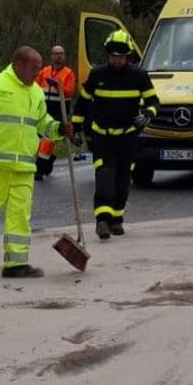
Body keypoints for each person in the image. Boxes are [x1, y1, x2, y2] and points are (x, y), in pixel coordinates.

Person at [0, 46, 72, 278]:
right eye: (34, 68)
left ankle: (16, 264)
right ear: (19, 65)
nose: (38, 73)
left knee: (19, 215)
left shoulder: (36, 93)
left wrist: (59, 129)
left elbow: (42, 123)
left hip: (23, 168)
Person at [71, 29, 158, 241]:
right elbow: (82, 103)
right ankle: (102, 219)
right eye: (113, 57)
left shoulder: (138, 75)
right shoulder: (98, 75)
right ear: (107, 55)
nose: (116, 61)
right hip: (102, 136)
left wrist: (147, 114)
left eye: (120, 57)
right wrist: (75, 128)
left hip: (128, 137)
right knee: (104, 176)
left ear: (127, 56)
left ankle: (117, 219)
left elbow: (153, 102)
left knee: (123, 177)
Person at [34, 44, 76, 180]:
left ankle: (40, 169)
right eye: (56, 53)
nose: (59, 56)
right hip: (44, 108)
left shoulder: (68, 73)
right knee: (39, 139)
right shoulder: (44, 71)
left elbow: (69, 91)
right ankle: (47, 162)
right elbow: (34, 86)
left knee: (48, 139)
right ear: (51, 56)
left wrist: (58, 86)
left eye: (61, 53)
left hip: (59, 110)